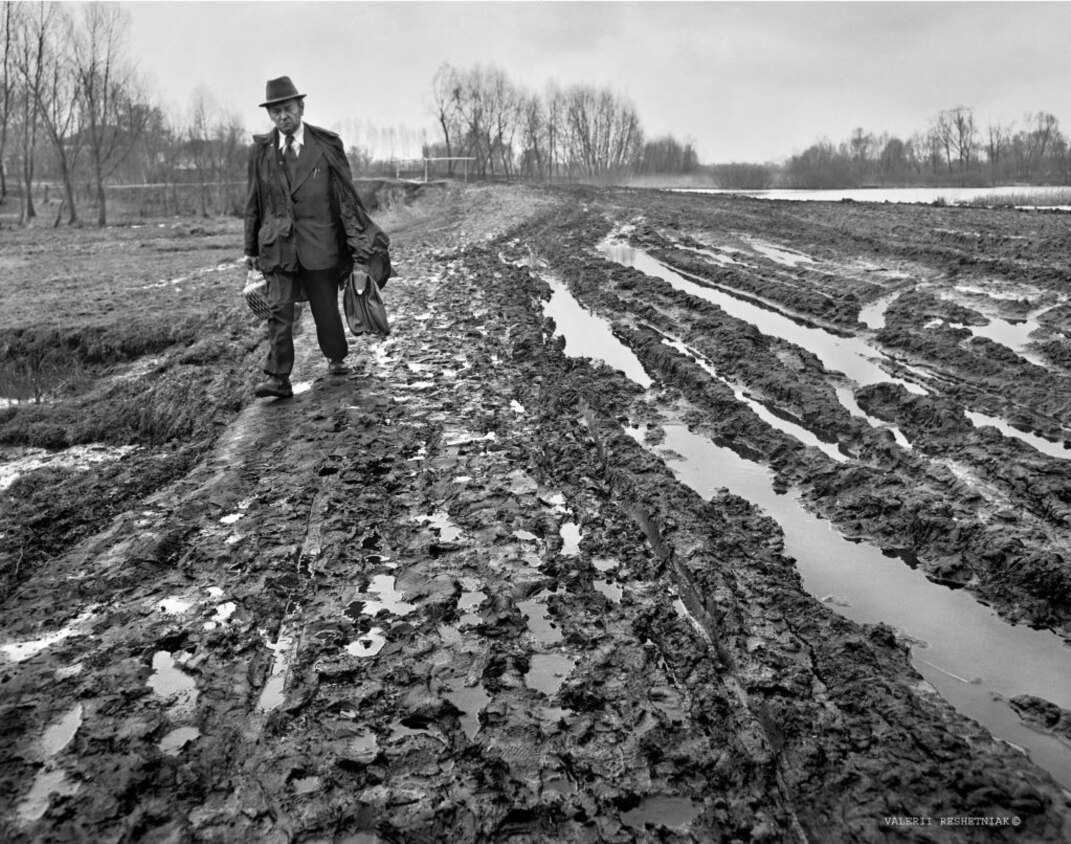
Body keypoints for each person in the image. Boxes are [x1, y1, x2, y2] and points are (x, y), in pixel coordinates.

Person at [244, 76, 391, 398]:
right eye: (276, 112)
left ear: (301, 108)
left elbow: (346, 197)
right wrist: (250, 248)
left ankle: (336, 358)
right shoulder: (262, 151)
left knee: (324, 306)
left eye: (288, 109)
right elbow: (254, 201)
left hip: (320, 241)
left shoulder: (326, 144)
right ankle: (278, 378)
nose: (283, 116)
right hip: (278, 245)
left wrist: (355, 245)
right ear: (270, 115)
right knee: (278, 310)